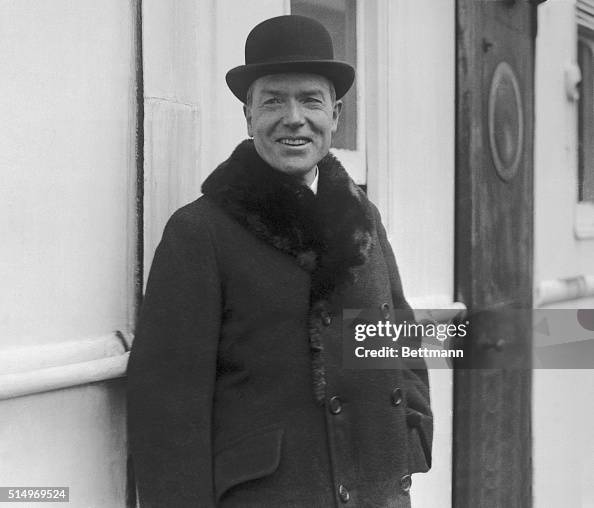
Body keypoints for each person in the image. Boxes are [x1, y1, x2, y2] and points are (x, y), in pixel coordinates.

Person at [127, 15, 432, 508]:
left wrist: (411, 432)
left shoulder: (362, 217)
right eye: (273, 100)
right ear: (248, 117)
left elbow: (396, 329)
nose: (294, 118)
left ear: (335, 115)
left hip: (379, 489)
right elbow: (166, 408)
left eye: (310, 100)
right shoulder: (200, 231)